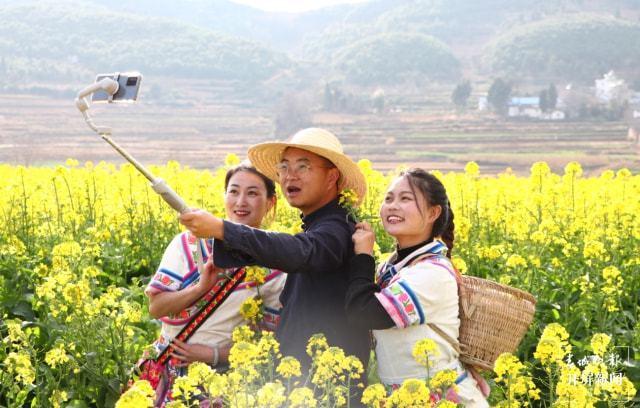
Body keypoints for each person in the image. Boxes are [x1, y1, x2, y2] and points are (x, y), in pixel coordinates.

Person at [179, 128, 370, 371]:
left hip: (327, 385)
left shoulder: (338, 228)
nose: (290, 176)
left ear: (332, 177)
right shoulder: (318, 225)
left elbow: (303, 251)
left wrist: (223, 229)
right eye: (284, 167)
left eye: (303, 167)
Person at [346, 168, 489, 407]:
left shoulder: (431, 273)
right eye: (388, 198)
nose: (392, 206)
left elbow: (365, 312)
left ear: (433, 212)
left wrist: (363, 257)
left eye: (405, 199)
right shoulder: (393, 267)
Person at [145, 163, 286, 373]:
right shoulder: (188, 243)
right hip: (165, 368)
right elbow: (156, 308)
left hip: (224, 376)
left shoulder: (276, 267)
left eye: (253, 193)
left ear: (270, 202)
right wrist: (200, 288)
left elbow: (270, 340)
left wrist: (213, 355)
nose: (240, 202)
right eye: (234, 192)